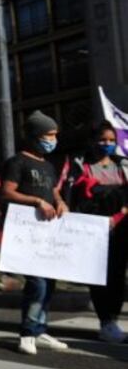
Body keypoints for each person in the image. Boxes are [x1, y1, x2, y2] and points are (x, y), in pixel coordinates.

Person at [0, 110, 69, 355]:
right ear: (34, 136)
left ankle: (40, 329)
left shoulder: (48, 165)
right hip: (26, 231)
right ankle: (27, 332)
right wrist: (36, 202)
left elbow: (53, 190)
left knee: (49, 282)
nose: (53, 139)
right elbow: (7, 192)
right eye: (49, 134)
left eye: (55, 135)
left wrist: (59, 201)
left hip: (47, 232)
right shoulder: (17, 162)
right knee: (37, 283)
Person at [66, 121, 128, 343]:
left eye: (112, 140)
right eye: (103, 140)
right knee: (100, 276)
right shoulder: (82, 167)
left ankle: (114, 318)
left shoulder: (123, 166)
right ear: (93, 141)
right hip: (94, 231)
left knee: (118, 276)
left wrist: (119, 216)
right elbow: (76, 200)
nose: (107, 144)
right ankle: (105, 322)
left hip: (121, 230)